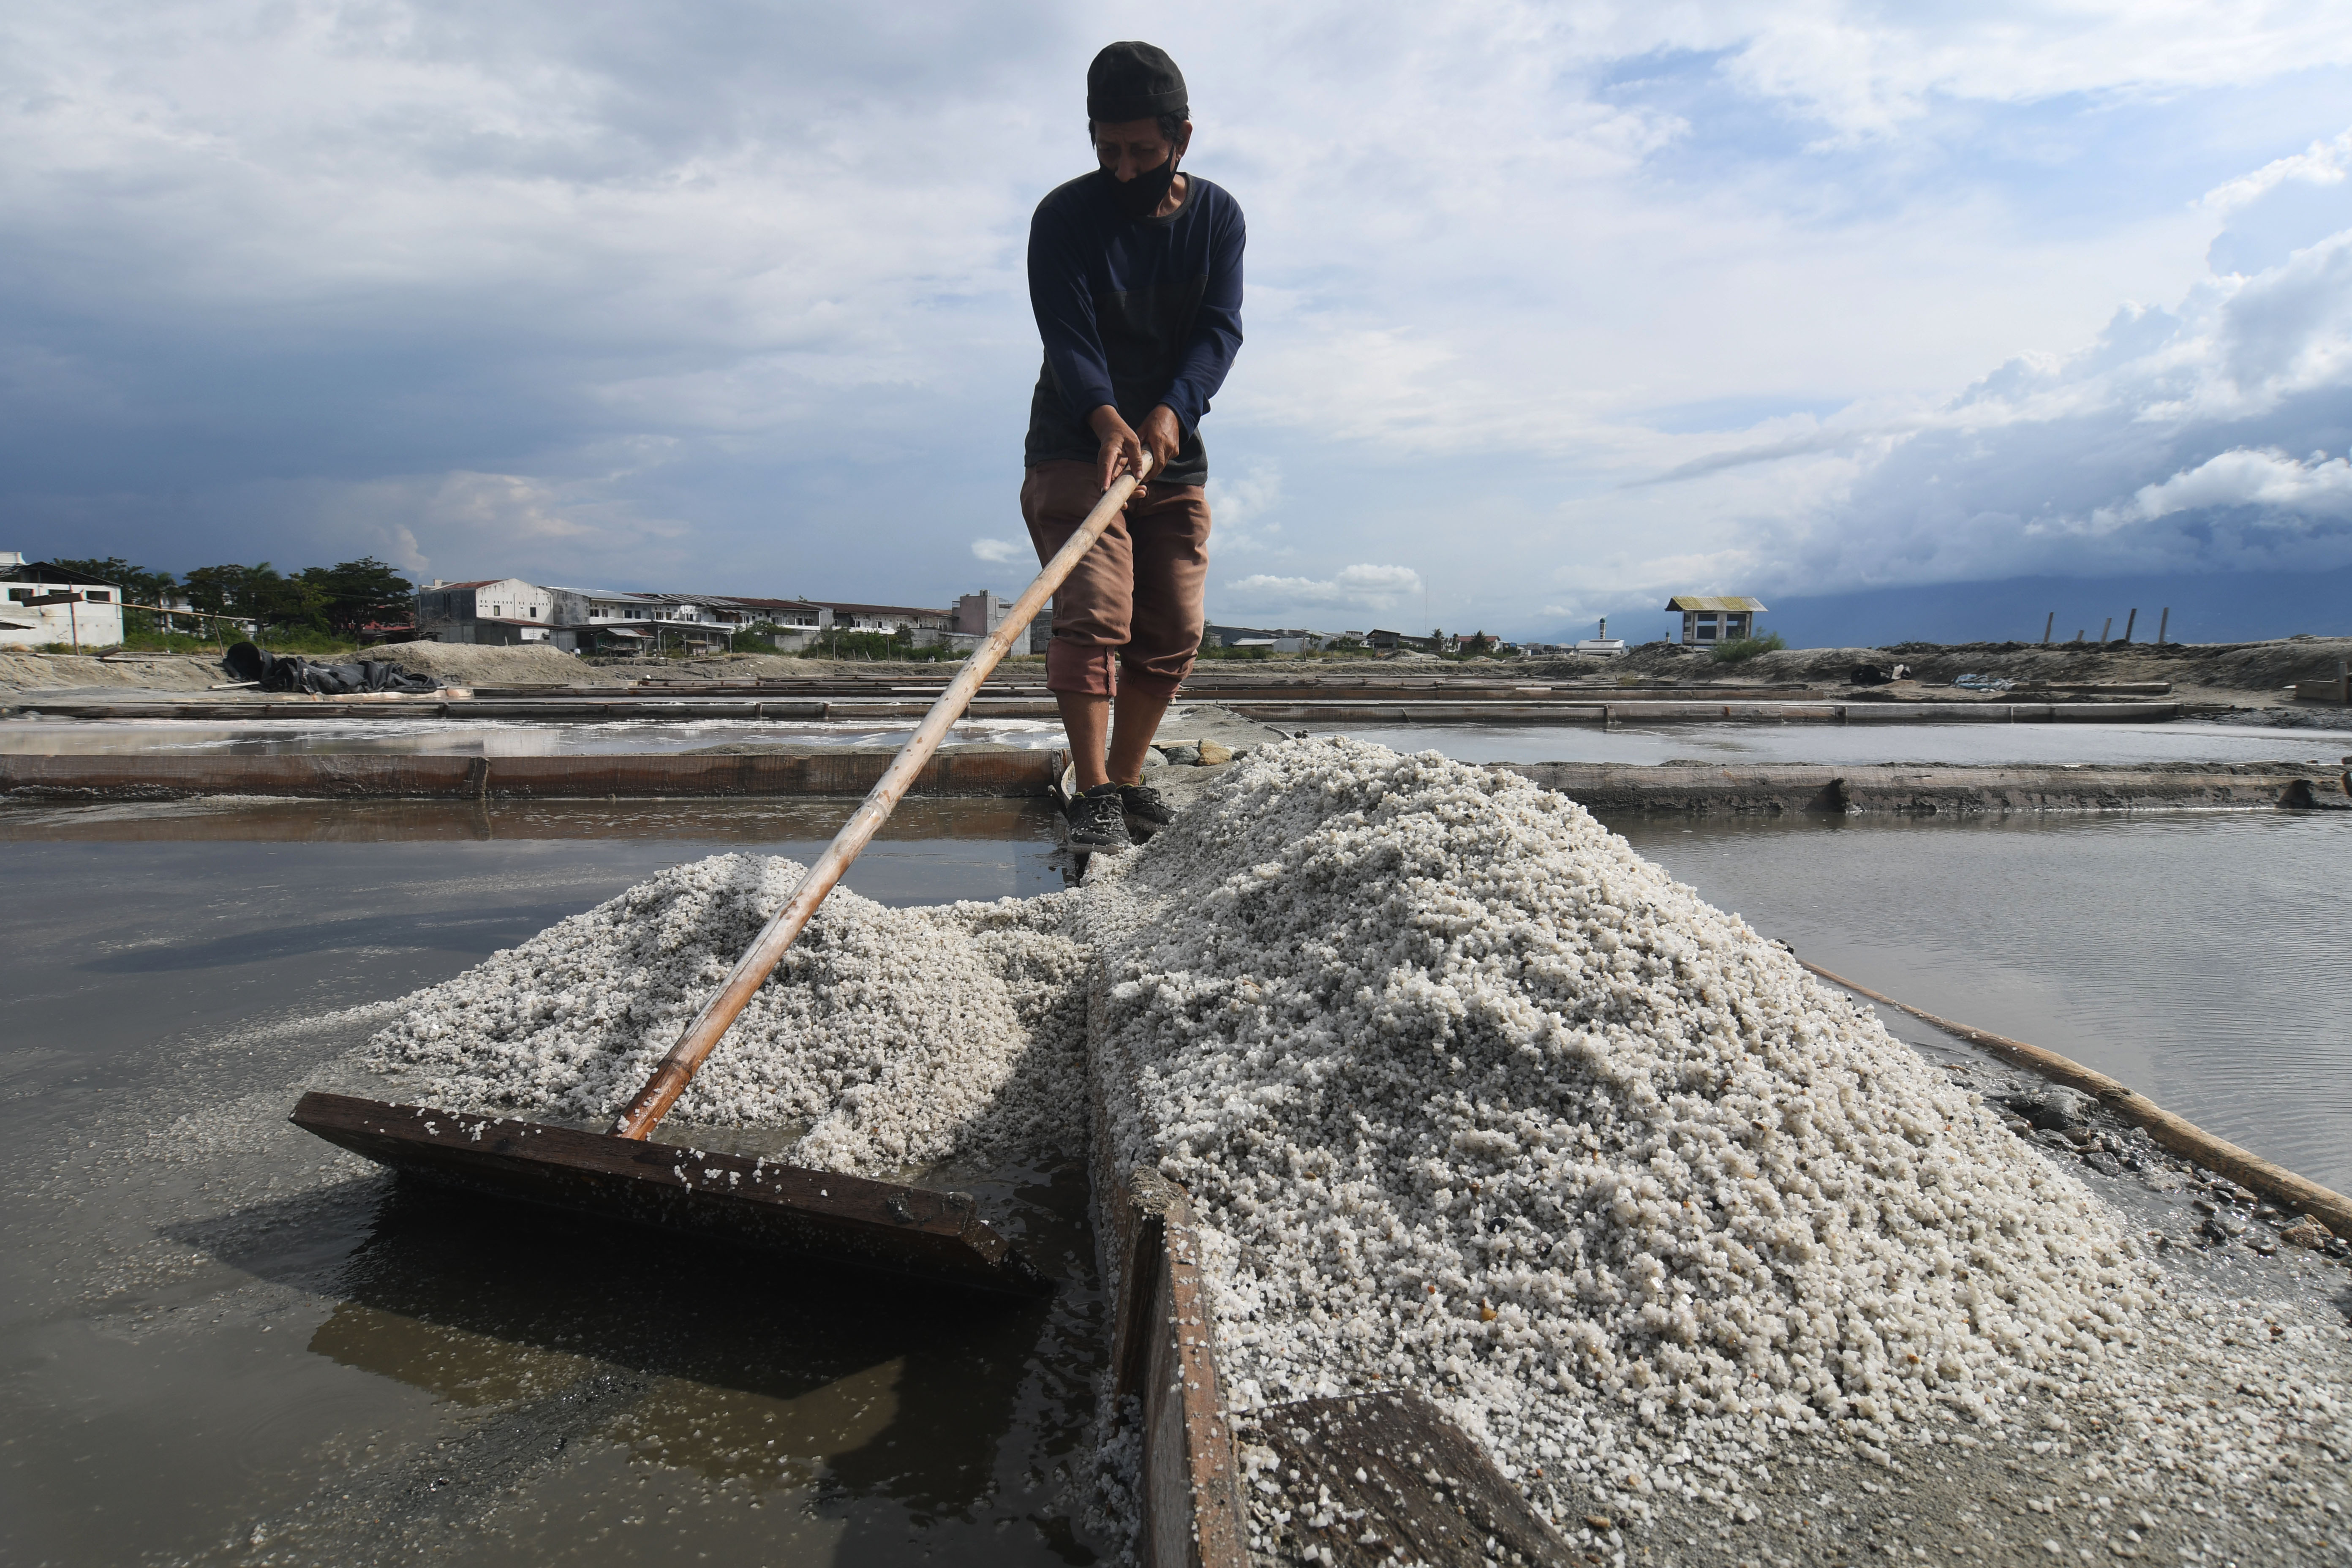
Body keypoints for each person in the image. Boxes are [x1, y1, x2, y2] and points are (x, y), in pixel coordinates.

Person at [1024, 40, 1244, 851]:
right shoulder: (1064, 218)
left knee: (1174, 623)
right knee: (1095, 610)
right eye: (1106, 151)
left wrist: (1171, 414)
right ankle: (1092, 796)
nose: (1123, 170)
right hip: (1076, 440)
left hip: (1171, 442)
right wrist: (1107, 416)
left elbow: (1220, 331)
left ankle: (1125, 778)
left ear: (1181, 138)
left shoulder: (1217, 218)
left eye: (1142, 153)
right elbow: (1069, 335)